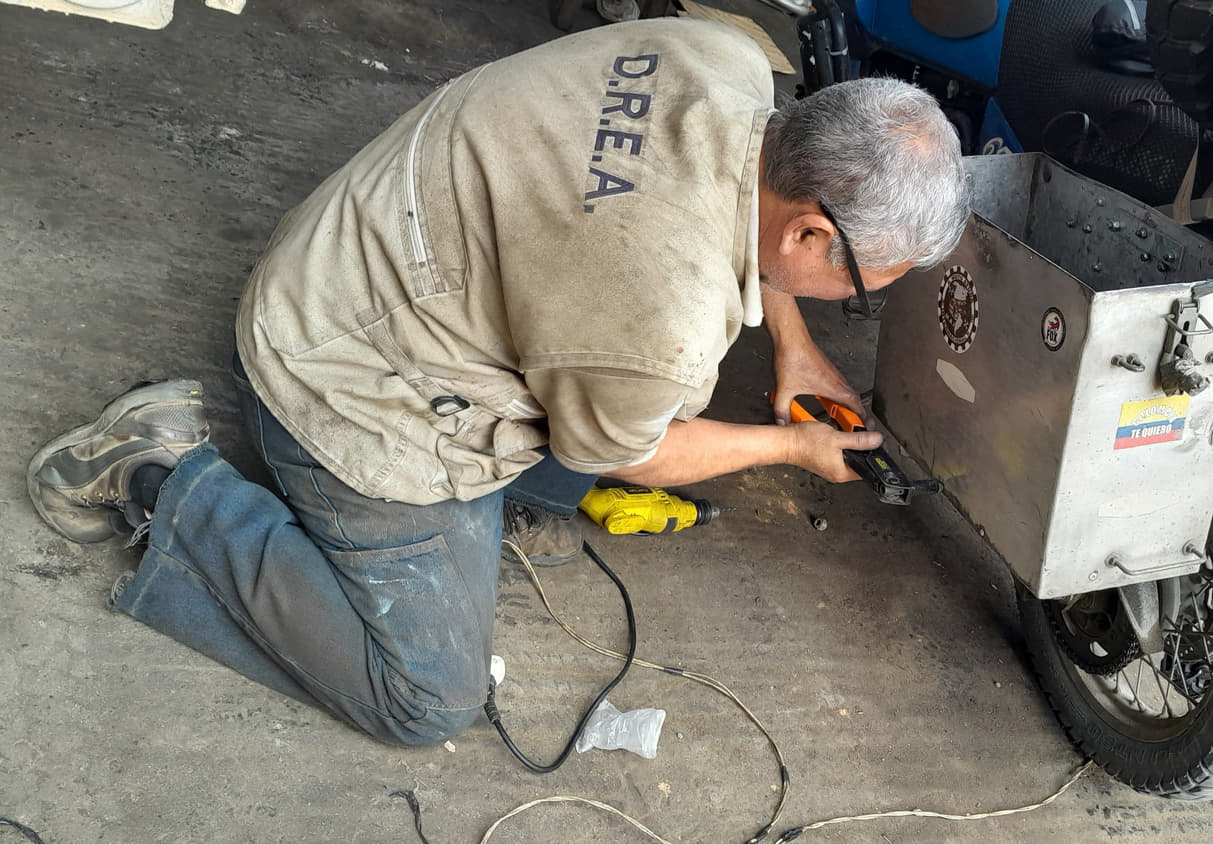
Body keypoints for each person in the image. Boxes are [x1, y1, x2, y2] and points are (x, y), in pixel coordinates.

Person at [27, 18, 968, 745]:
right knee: (426, 698)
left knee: (579, 454)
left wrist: (792, 342)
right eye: (857, 286)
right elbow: (639, 453)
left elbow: (743, 219)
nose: (851, 300)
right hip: (348, 376)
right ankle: (163, 479)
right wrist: (796, 446)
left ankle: (407, 499)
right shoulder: (659, 317)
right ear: (809, 234)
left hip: (367, 249)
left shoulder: (724, 56)